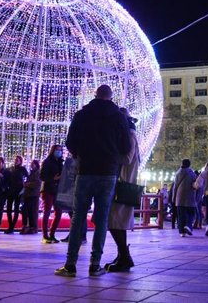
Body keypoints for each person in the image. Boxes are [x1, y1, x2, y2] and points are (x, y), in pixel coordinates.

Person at [55, 84, 131, 278]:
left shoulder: (82, 115)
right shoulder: (118, 117)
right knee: (102, 219)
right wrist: (113, 157)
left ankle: (70, 264)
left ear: (95, 95)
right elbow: (126, 145)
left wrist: (81, 155)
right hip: (108, 173)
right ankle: (94, 265)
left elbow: (70, 141)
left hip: (85, 171)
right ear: (111, 96)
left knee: (78, 216)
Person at [104, 108, 140, 272]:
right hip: (119, 182)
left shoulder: (130, 136)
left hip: (123, 183)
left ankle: (125, 256)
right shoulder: (125, 135)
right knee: (114, 222)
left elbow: (127, 158)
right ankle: (123, 255)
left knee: (115, 222)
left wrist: (107, 153)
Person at [40, 145, 64, 243]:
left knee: (58, 213)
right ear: (53, 151)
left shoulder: (61, 162)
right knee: (47, 212)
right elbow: (42, 176)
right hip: (48, 189)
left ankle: (52, 234)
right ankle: (45, 236)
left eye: (60, 150)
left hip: (57, 190)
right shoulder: (47, 161)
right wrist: (53, 179)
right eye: (57, 150)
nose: (59, 152)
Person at [173, 159, 197, 237]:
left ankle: (181, 232)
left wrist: (173, 198)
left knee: (181, 215)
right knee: (191, 213)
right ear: (189, 165)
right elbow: (195, 184)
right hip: (190, 197)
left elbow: (175, 186)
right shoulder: (192, 173)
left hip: (179, 197)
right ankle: (188, 225)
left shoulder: (177, 173)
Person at [5, 155, 29, 234]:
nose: (15, 161)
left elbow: (28, 178)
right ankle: (10, 226)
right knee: (8, 209)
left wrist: (24, 187)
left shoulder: (22, 169)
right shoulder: (10, 169)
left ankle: (12, 227)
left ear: (20, 161)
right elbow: (7, 179)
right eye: (15, 159)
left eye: (17, 160)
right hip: (10, 191)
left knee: (16, 209)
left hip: (18, 192)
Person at [21, 159, 41, 235]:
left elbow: (37, 183)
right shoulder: (32, 173)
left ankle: (32, 227)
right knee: (27, 211)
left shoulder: (37, 173)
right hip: (29, 194)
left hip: (33, 195)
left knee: (31, 211)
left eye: (33, 164)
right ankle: (29, 227)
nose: (31, 165)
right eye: (31, 164)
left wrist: (27, 184)